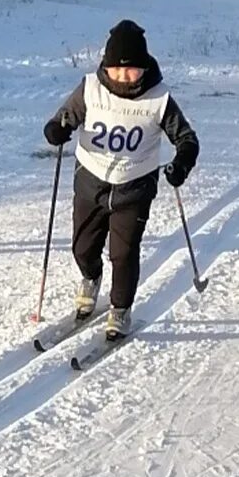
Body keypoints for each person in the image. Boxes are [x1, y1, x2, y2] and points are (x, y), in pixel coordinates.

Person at [42, 20, 199, 342]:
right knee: (83, 247)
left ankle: (120, 309)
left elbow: (187, 139)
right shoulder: (90, 88)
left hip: (135, 185)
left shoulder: (159, 98)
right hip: (90, 180)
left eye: (132, 70)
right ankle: (90, 277)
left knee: (123, 253)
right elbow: (63, 118)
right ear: (106, 66)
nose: (125, 76)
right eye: (116, 69)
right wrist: (56, 130)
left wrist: (181, 164)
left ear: (144, 67)